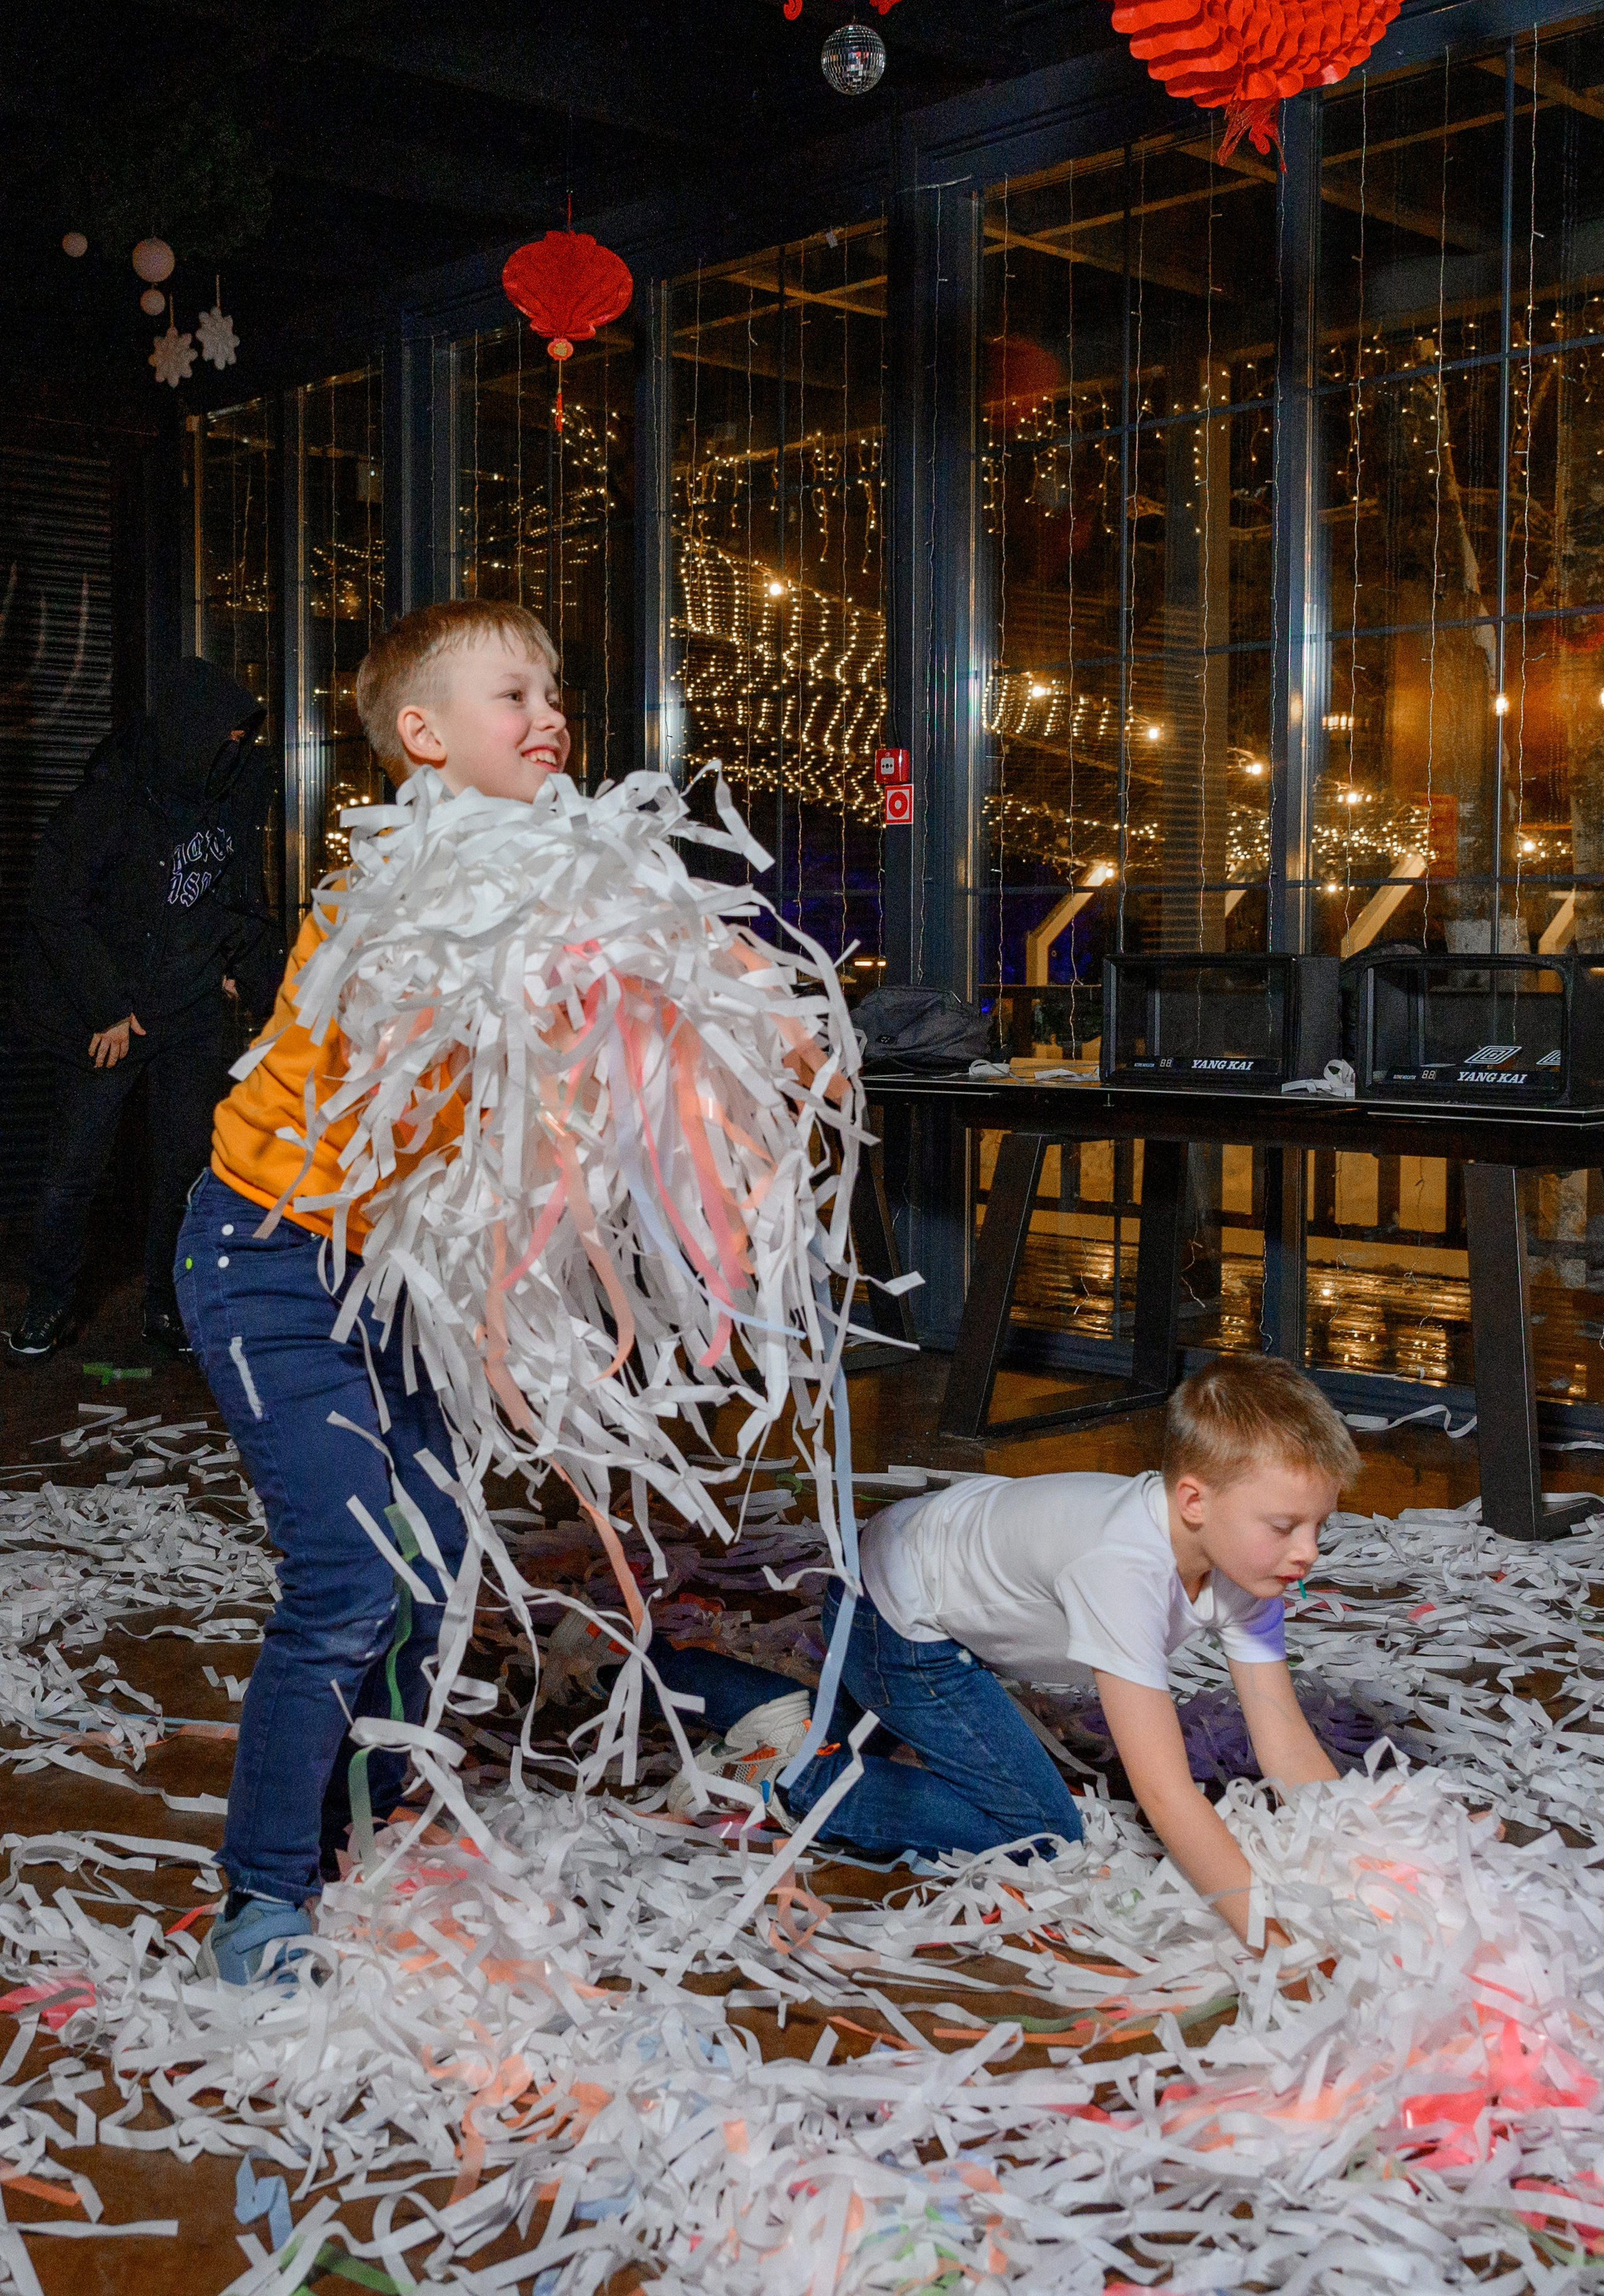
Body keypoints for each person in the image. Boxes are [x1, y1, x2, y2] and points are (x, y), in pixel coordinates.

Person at [174, 599, 570, 1985]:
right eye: (514, 694)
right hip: (266, 1255)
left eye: (554, 693)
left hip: (380, 1265)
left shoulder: (533, 877)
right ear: (423, 738)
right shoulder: (397, 887)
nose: (550, 716)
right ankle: (260, 1897)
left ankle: (370, 1815)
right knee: (344, 1576)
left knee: (435, 1556)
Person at [655, 1354, 1360, 1953]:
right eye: (1284, 1525)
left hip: (934, 1574)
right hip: (898, 1616)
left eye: (1317, 1525)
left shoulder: (1250, 1565)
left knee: (833, 1721)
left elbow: (1284, 1742)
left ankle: (649, 1663)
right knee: (1040, 1833)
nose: (1308, 1550)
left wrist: (1362, 1867)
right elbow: (1164, 1791)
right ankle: (787, 1782)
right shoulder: (1122, 1567)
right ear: (1194, 1500)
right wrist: (1271, 1937)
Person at [6, 655, 281, 1361]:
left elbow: (241, 899)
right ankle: (48, 1302)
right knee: (76, 1164)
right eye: (229, 735)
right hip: (111, 1014)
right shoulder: (114, 795)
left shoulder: (239, 788)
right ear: (192, 732)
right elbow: (54, 904)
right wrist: (105, 1006)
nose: (240, 749)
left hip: (189, 1005)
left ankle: (166, 1303)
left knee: (185, 1165)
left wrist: (263, 996)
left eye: (246, 738)